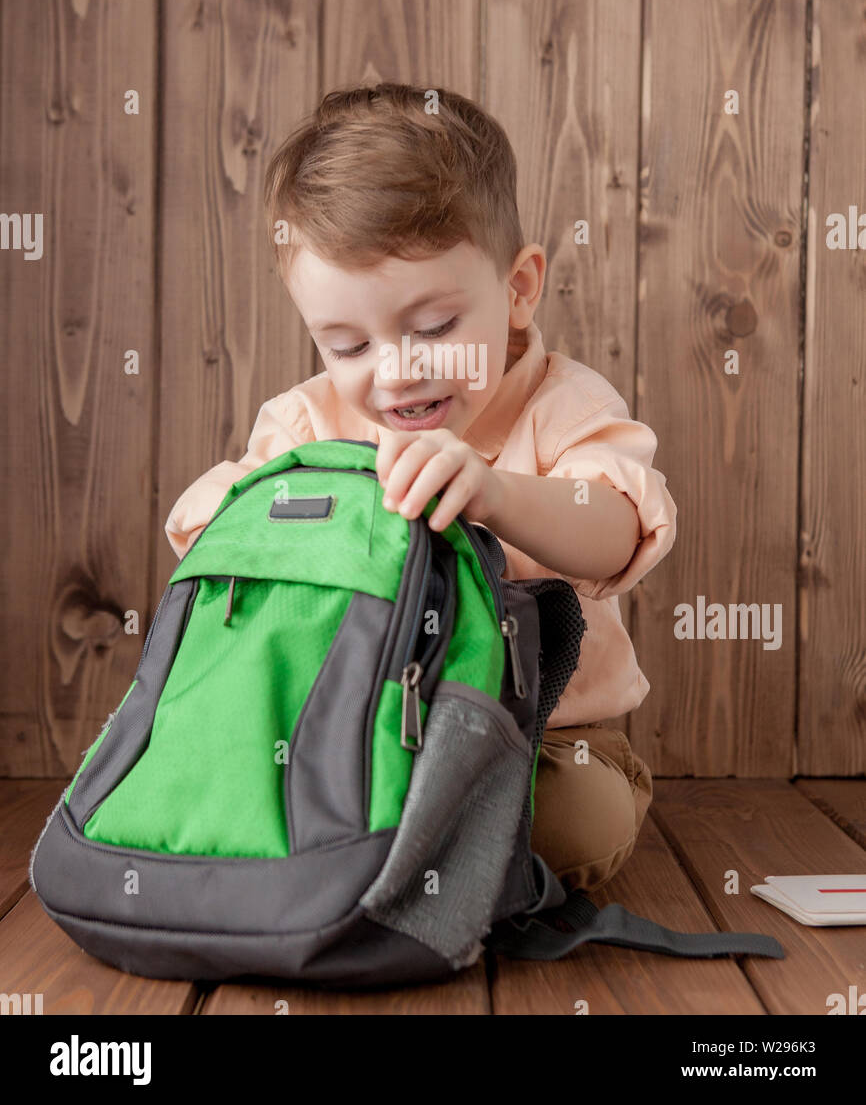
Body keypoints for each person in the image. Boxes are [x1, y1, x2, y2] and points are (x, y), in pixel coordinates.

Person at [165, 83, 672, 893]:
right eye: (348, 346)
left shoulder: (562, 406)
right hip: (341, 737)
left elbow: (617, 529)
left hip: (539, 739)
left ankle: (392, 860)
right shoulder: (308, 425)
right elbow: (221, 538)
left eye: (434, 329)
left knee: (575, 821)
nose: (397, 372)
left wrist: (497, 495)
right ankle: (375, 851)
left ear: (518, 289)